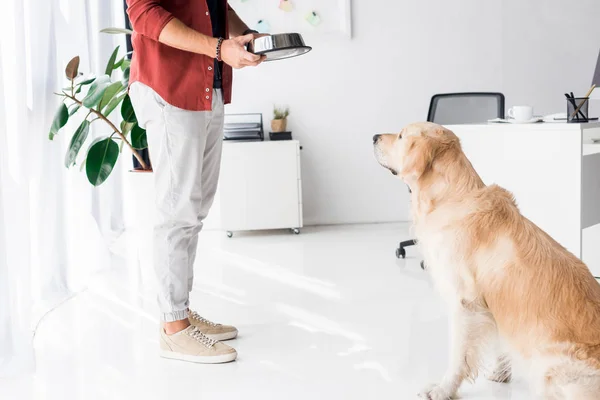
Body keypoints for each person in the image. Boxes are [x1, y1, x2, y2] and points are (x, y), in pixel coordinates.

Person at [126, 0, 265, 364]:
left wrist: (243, 35)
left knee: (195, 209)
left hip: (208, 85)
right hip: (170, 87)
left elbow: (215, 5)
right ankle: (174, 327)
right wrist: (220, 48)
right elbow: (144, 14)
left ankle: (181, 312)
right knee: (177, 211)